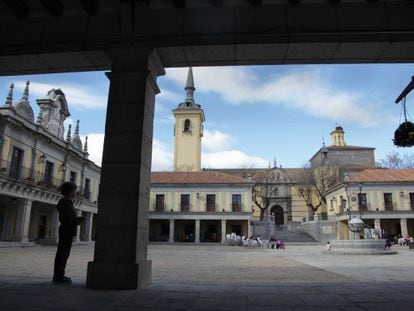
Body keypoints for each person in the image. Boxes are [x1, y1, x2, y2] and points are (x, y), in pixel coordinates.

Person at [53, 182, 85, 285]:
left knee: (64, 254)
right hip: (66, 231)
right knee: (62, 254)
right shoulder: (64, 203)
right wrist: (78, 220)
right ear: (70, 191)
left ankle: (60, 274)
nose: (76, 192)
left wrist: (77, 220)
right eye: (74, 190)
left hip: (67, 231)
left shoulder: (68, 202)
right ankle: (58, 276)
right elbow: (67, 219)